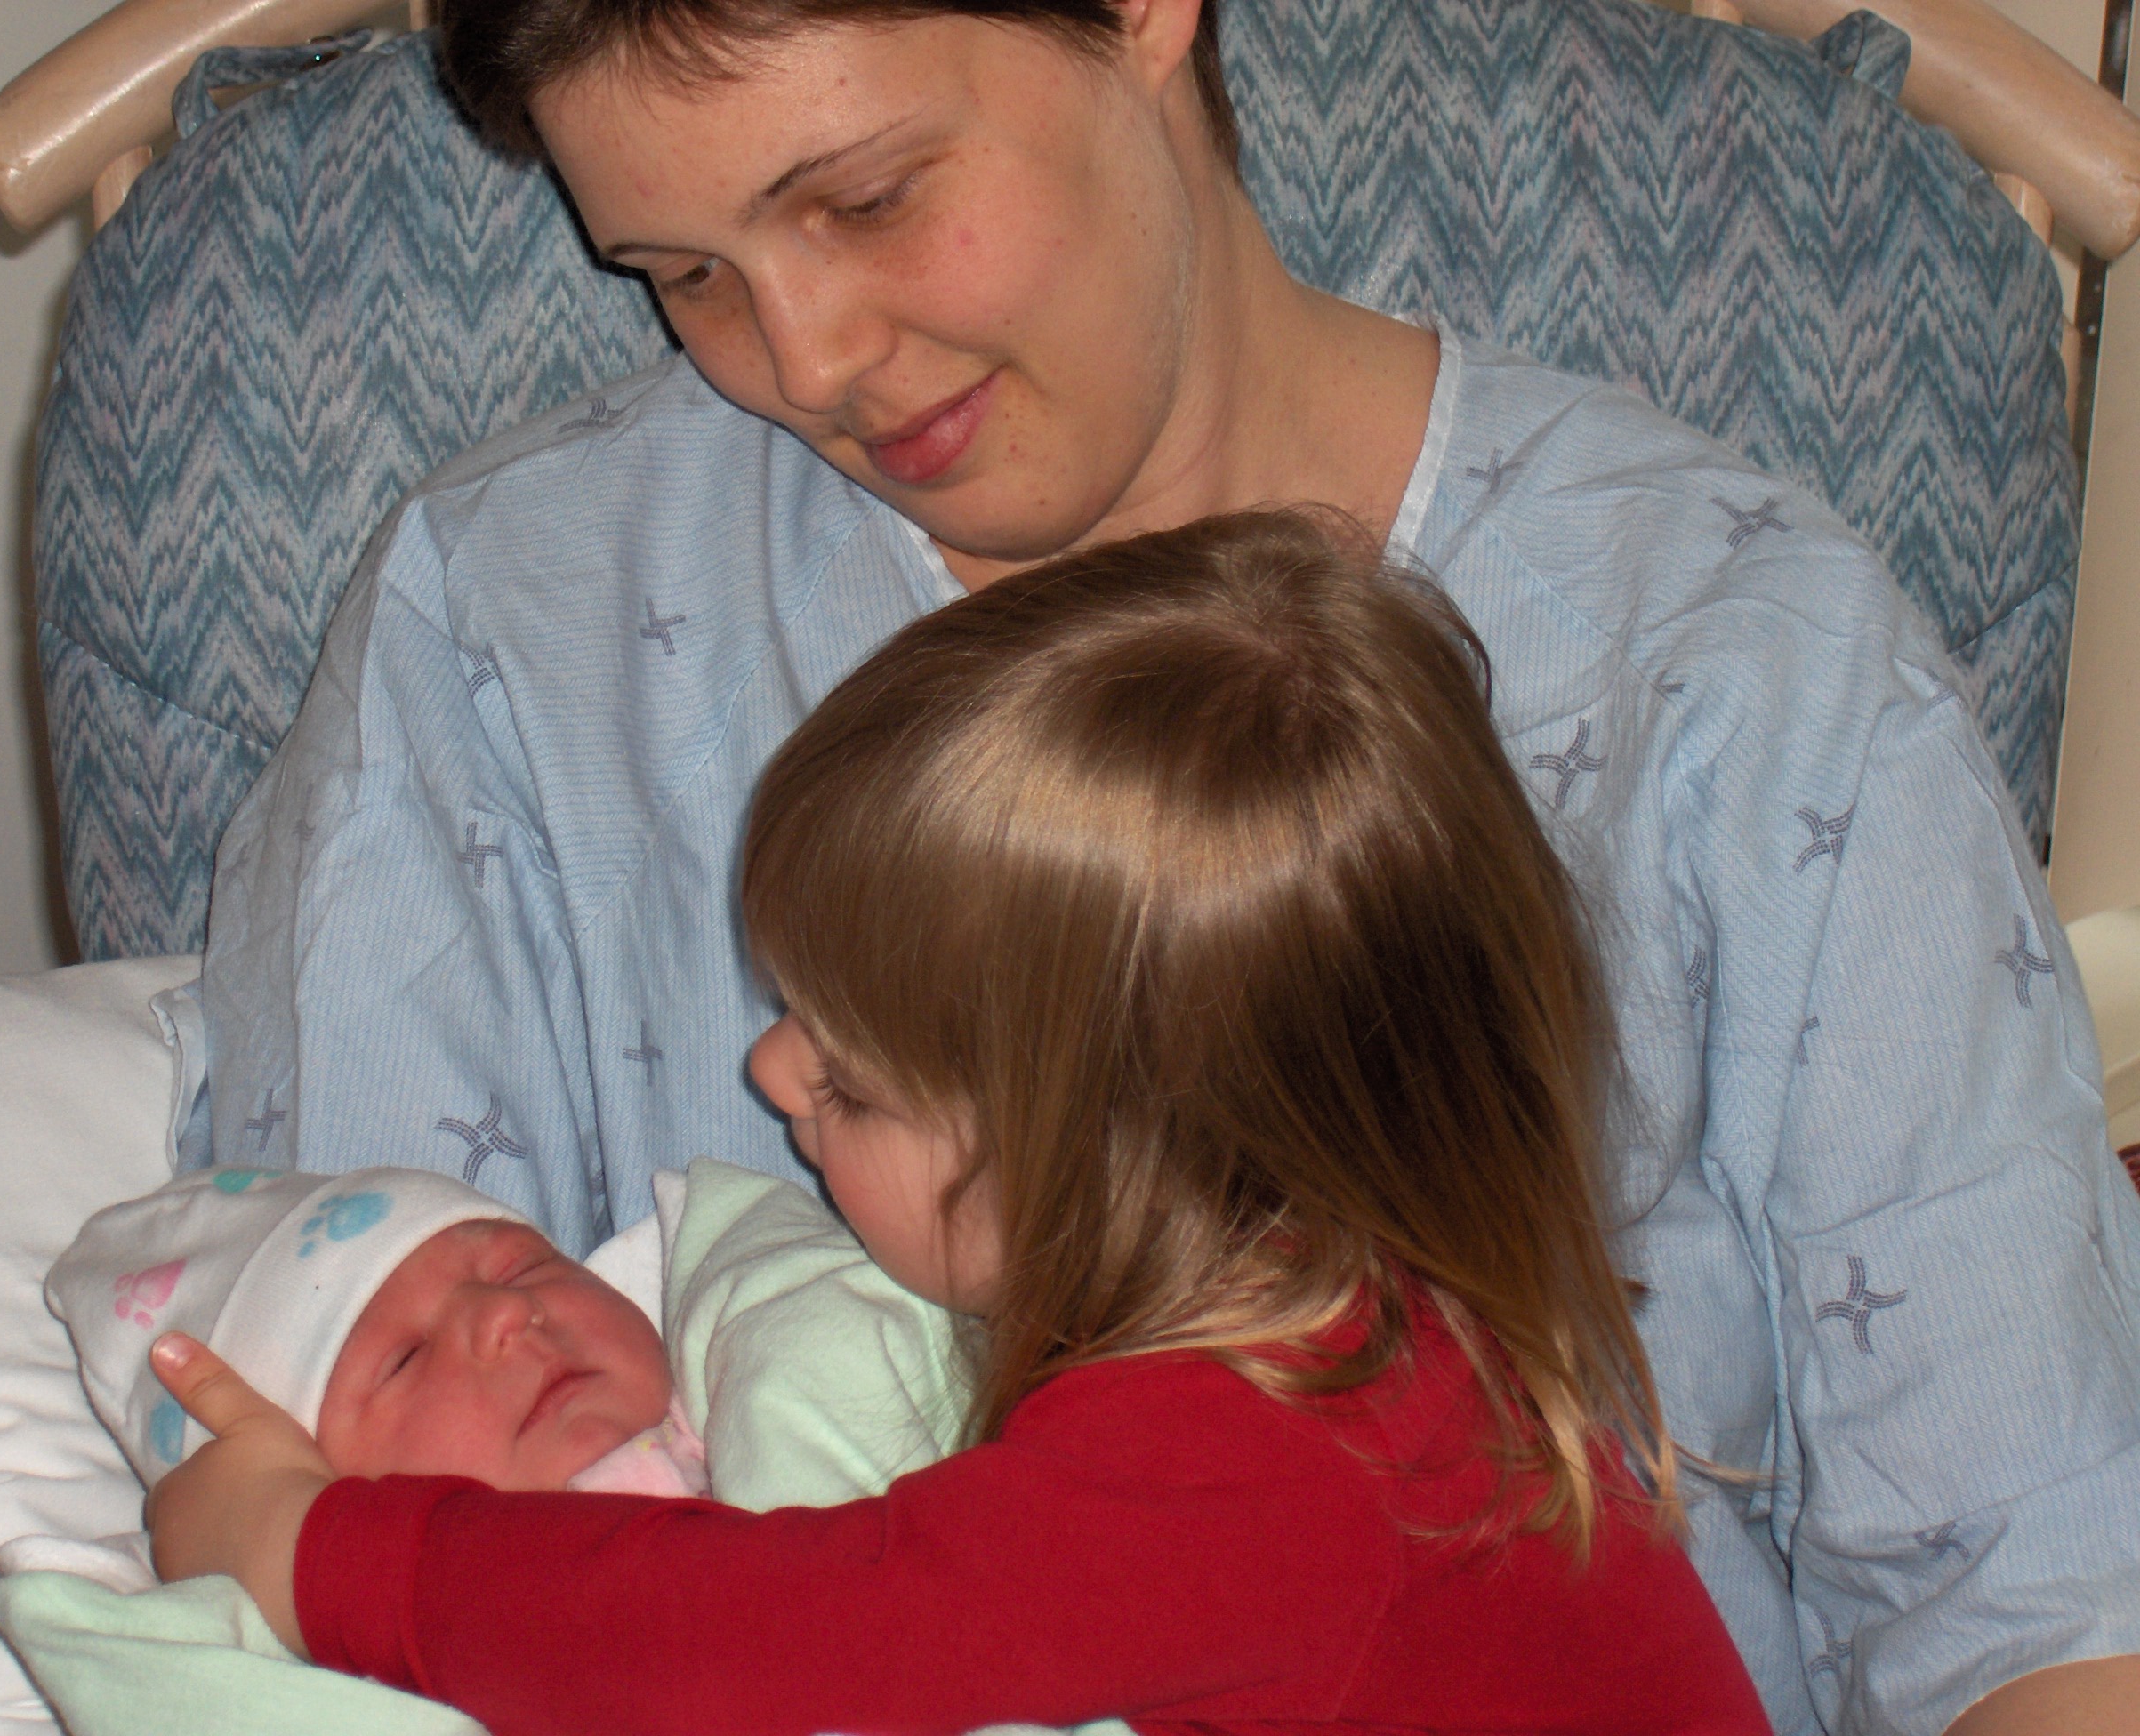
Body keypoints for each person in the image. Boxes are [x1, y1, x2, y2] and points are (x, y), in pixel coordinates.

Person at [189, 0, 2140, 1729]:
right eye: (683, 273)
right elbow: (303, 1432)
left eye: (865, 196)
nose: (806, 356)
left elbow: (2037, 1599)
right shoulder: (500, 627)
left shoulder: (1735, 665)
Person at [150, 511, 1772, 1736]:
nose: (769, 1072)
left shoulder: (1256, 1454)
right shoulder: (1364, 1319)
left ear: (1105, 1163)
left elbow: (763, 1642)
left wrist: (311, 1548)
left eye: (850, 1082)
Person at [48, 1167, 704, 1500]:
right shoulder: (416, 1632)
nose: (503, 1313)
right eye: (406, 1360)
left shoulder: (736, 1353)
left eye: (520, 1268)